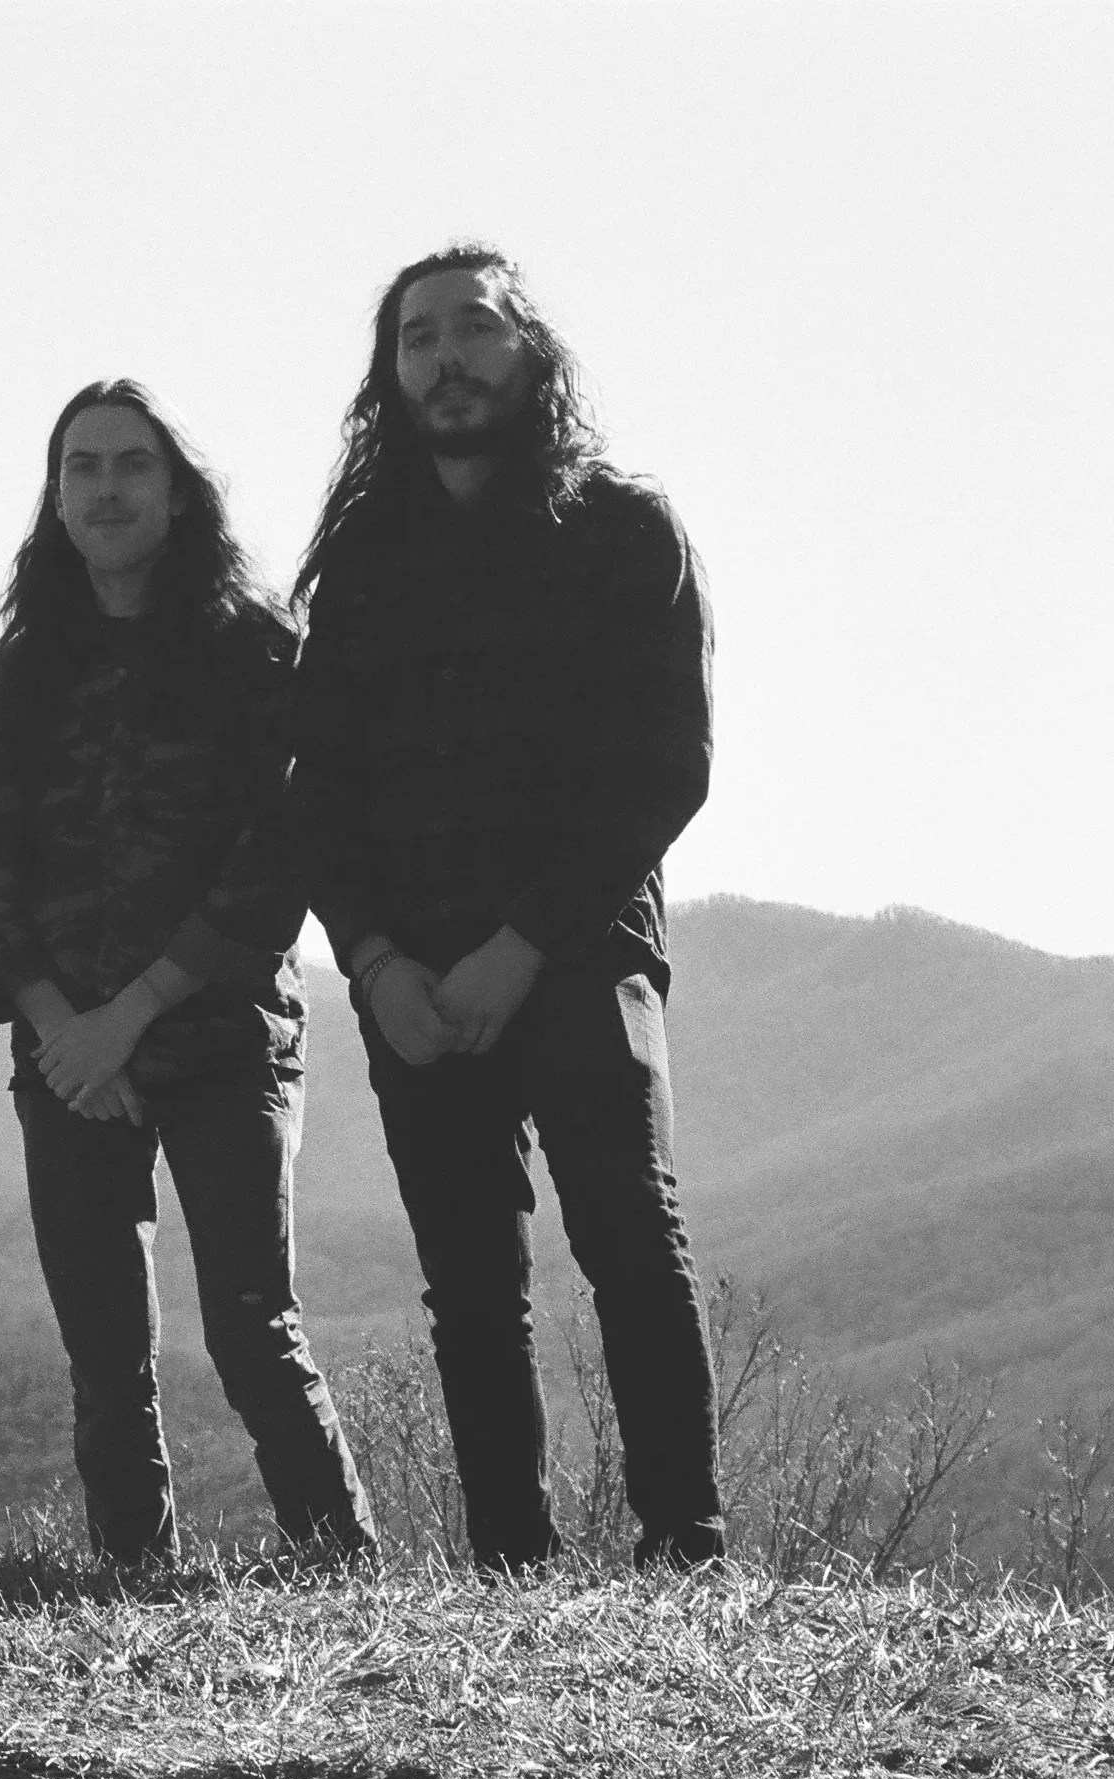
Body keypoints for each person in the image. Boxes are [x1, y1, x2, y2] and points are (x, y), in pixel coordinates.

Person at [287, 243, 726, 1569]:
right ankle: (509, 1566)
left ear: (531, 354)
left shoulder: (619, 533)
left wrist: (521, 947)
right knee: (473, 1289)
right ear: (390, 372)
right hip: (413, 978)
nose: (446, 358)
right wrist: (371, 961)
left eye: (473, 329)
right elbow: (315, 786)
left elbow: (664, 768)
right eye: (417, 338)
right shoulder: (362, 561)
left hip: (582, 959)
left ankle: (686, 1550)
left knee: (632, 1250)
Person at [0, 379, 375, 1568]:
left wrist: (128, 1018)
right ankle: (131, 1581)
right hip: (63, 1051)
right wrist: (60, 1031)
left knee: (253, 1329)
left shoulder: (252, 655)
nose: (105, 488)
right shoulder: (33, 671)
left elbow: (271, 865)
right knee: (105, 1354)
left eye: (131, 465)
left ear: (178, 488)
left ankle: (338, 1574)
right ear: (56, 495)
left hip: (222, 1041)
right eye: (81, 466)